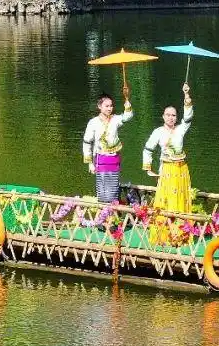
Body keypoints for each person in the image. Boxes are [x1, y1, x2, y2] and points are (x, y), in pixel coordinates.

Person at [143, 83, 194, 244]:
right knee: (166, 201)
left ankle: (181, 235)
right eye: (168, 115)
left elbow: (189, 117)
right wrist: (148, 168)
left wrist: (186, 96)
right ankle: (164, 235)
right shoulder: (158, 132)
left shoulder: (181, 129)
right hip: (167, 169)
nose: (171, 117)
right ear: (163, 116)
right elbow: (147, 149)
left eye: (173, 115)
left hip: (181, 169)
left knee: (181, 200)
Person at [82, 87, 133, 204]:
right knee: (103, 188)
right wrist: (90, 163)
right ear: (99, 107)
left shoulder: (115, 119)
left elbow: (128, 117)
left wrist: (127, 99)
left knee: (114, 187)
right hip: (101, 158)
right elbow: (87, 142)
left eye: (111, 106)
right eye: (107, 106)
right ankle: (104, 215)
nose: (110, 108)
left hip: (114, 158)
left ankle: (114, 214)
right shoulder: (93, 122)